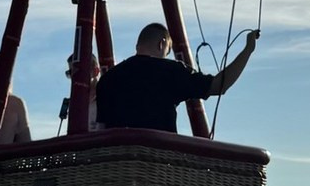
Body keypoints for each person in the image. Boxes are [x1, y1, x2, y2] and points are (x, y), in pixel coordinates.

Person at [91, 22, 258, 135]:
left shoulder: (108, 79)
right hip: (158, 165)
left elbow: (101, 128)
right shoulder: (172, 71)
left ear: (137, 46)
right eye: (168, 50)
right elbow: (219, 86)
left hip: (117, 167)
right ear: (162, 44)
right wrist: (248, 50)